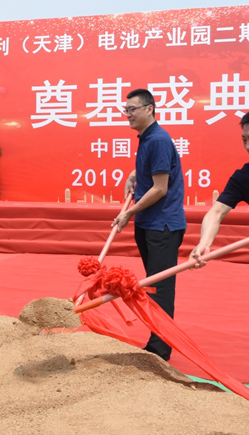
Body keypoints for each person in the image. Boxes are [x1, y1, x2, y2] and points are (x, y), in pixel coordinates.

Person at [112, 89, 186, 362]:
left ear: (150, 109)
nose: (127, 114)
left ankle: (160, 350)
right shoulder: (146, 139)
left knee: (160, 289)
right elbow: (151, 172)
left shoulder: (158, 139)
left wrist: (128, 212)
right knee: (151, 287)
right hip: (149, 224)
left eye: (132, 109)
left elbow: (160, 188)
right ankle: (156, 341)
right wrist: (133, 176)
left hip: (162, 226)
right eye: (126, 109)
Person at [190, 113, 249, 268]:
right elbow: (216, 213)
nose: (247, 146)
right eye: (244, 140)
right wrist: (204, 243)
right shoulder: (242, 178)